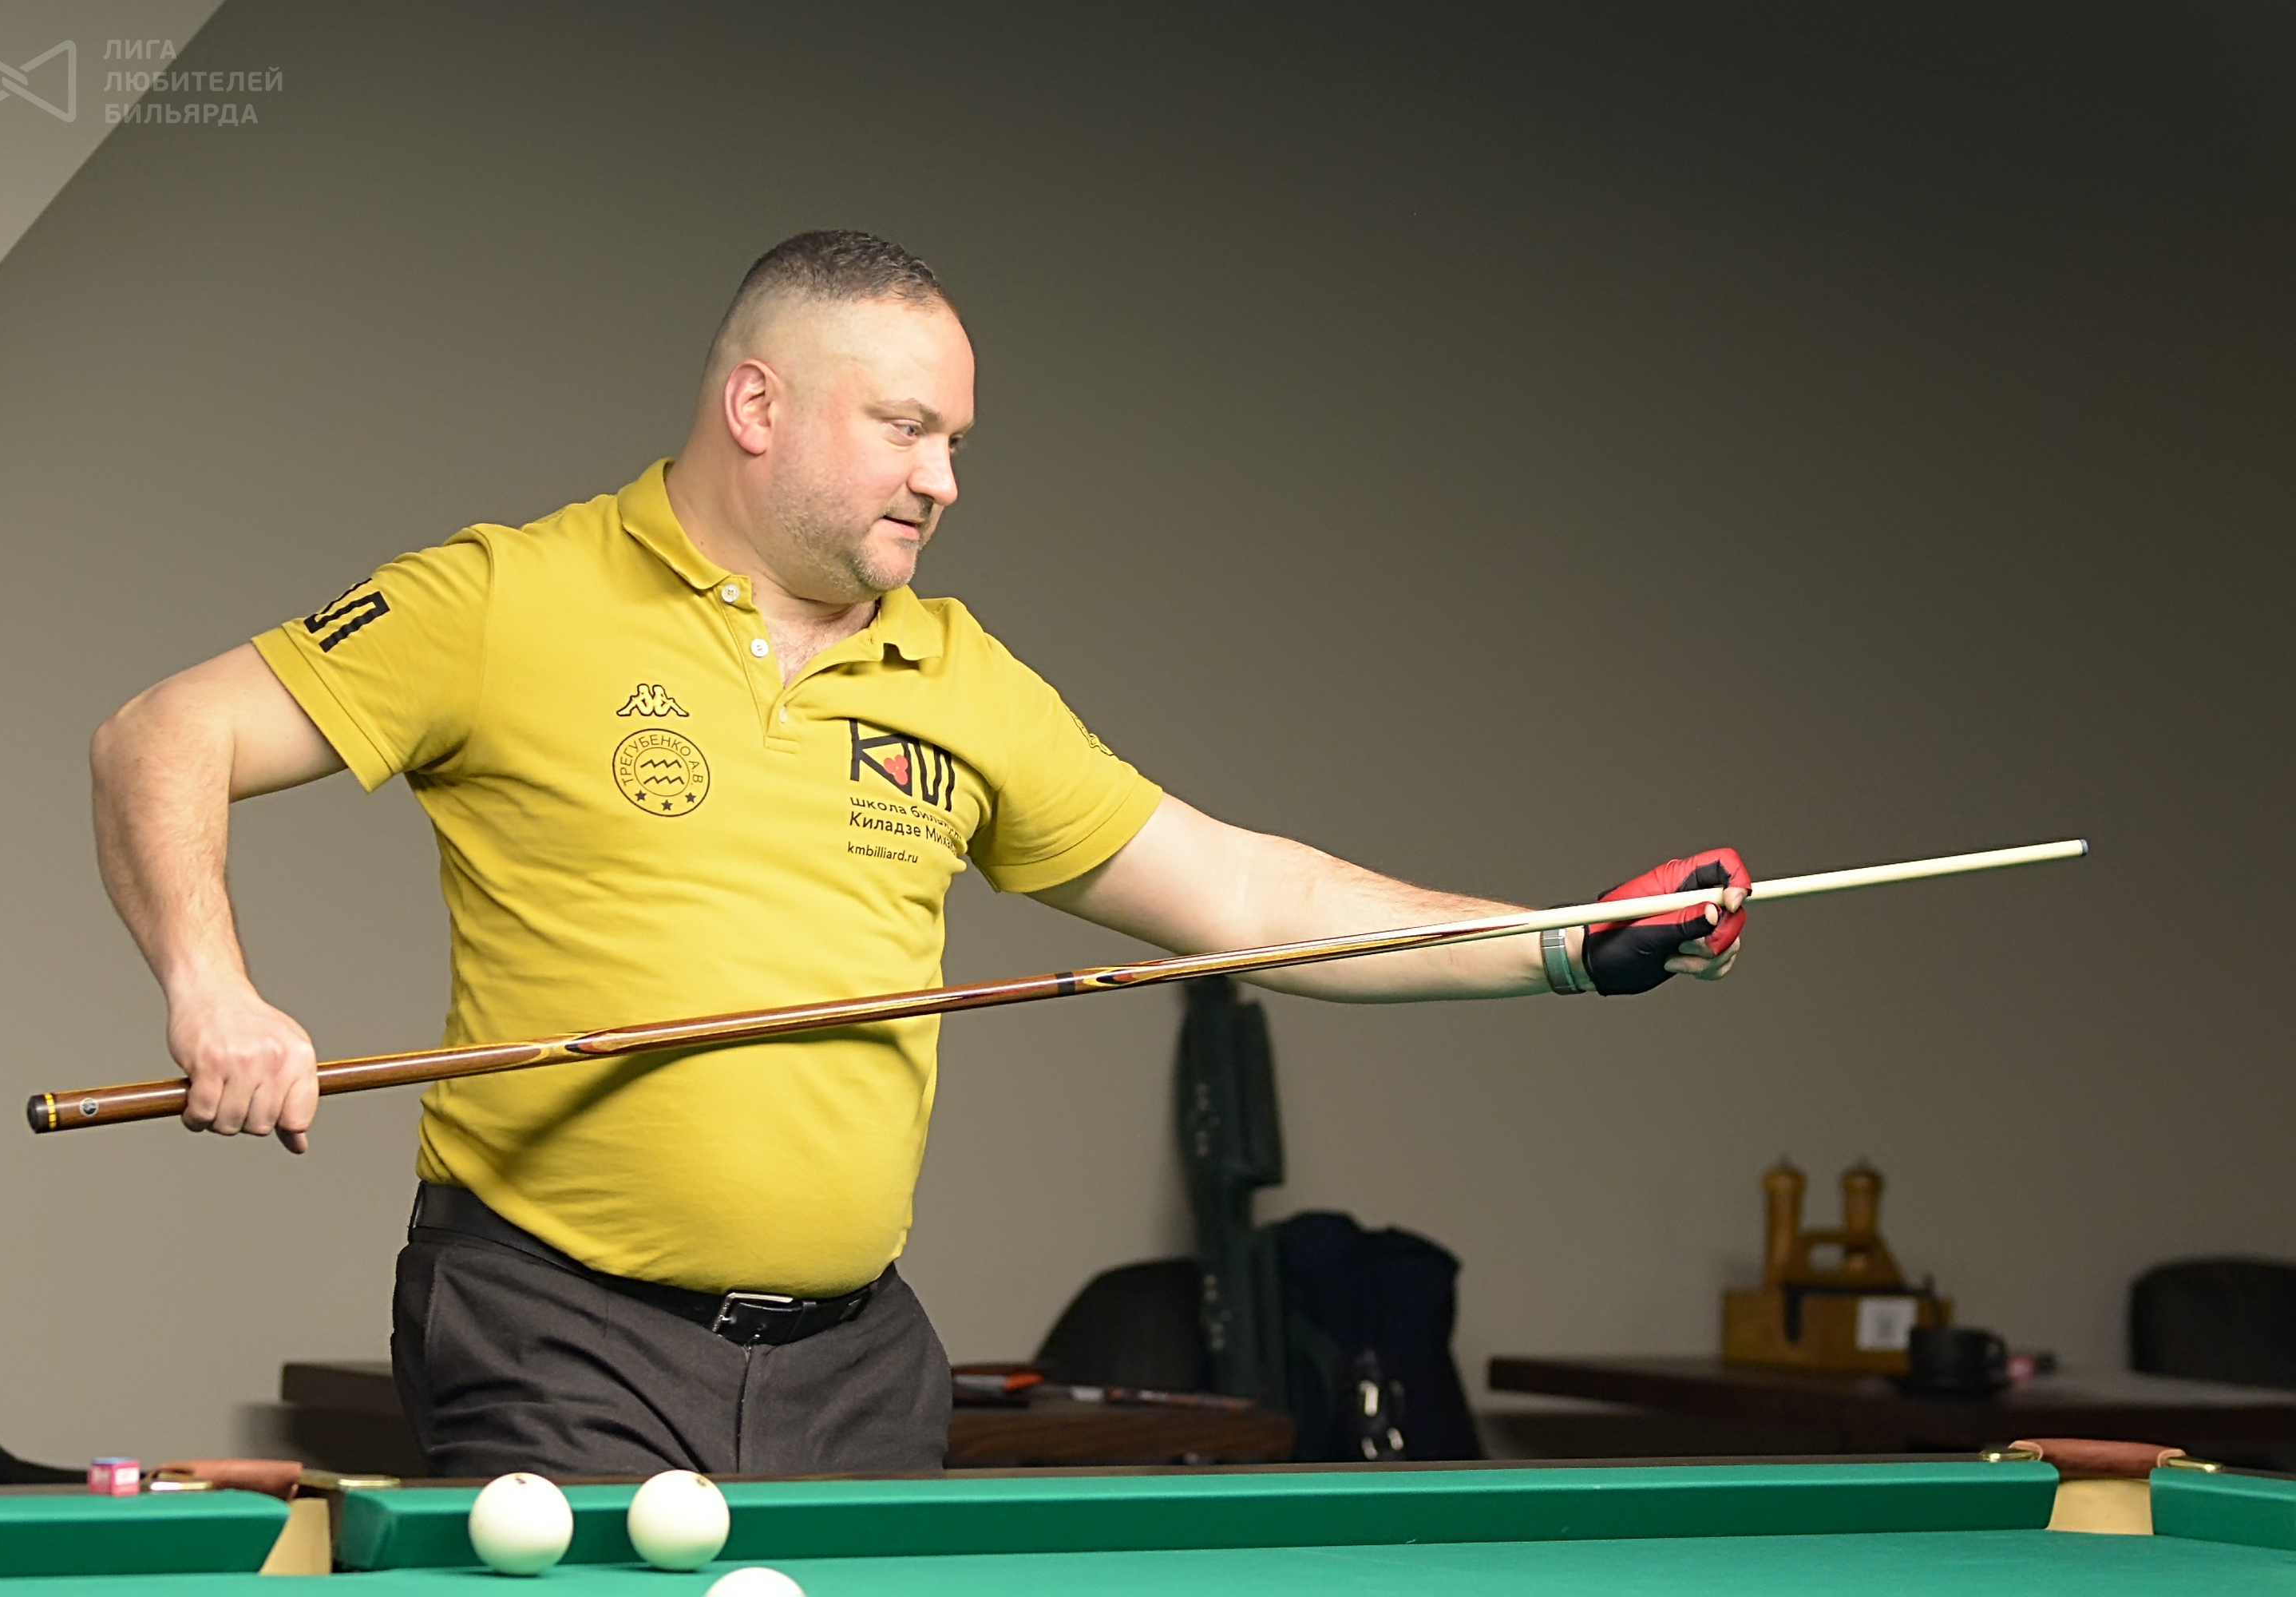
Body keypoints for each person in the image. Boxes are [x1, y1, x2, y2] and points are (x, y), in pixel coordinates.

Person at [89, 231, 1748, 1477]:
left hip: (857, 1361)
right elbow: (162, 734)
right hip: (554, 1330)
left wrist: (1561, 942)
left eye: (954, 440)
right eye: (903, 429)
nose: (941, 479)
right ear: (756, 404)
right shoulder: (506, 599)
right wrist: (213, 990)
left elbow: (1253, 895)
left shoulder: (962, 678)